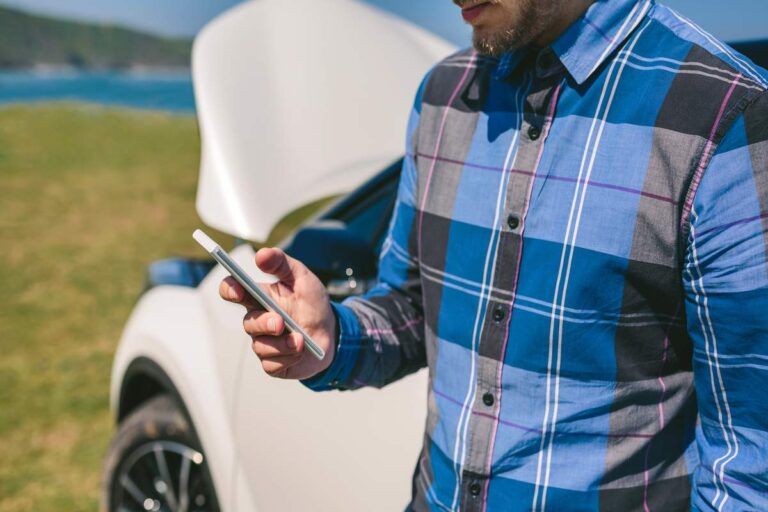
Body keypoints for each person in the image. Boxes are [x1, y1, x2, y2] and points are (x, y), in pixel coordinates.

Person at [220, 0, 768, 509]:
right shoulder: (442, 95)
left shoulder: (725, 114)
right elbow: (414, 304)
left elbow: (748, 463)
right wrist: (332, 337)